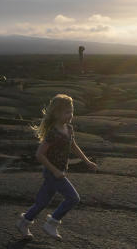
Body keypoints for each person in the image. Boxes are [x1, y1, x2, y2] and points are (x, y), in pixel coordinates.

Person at [17, 94, 97, 239]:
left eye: (71, 111)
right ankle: (52, 223)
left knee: (41, 203)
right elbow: (39, 154)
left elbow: (73, 146)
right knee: (73, 198)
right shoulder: (53, 133)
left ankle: (24, 222)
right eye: (66, 112)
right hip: (52, 172)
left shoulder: (69, 129)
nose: (70, 115)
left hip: (60, 171)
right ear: (56, 113)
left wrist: (87, 161)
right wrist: (54, 171)